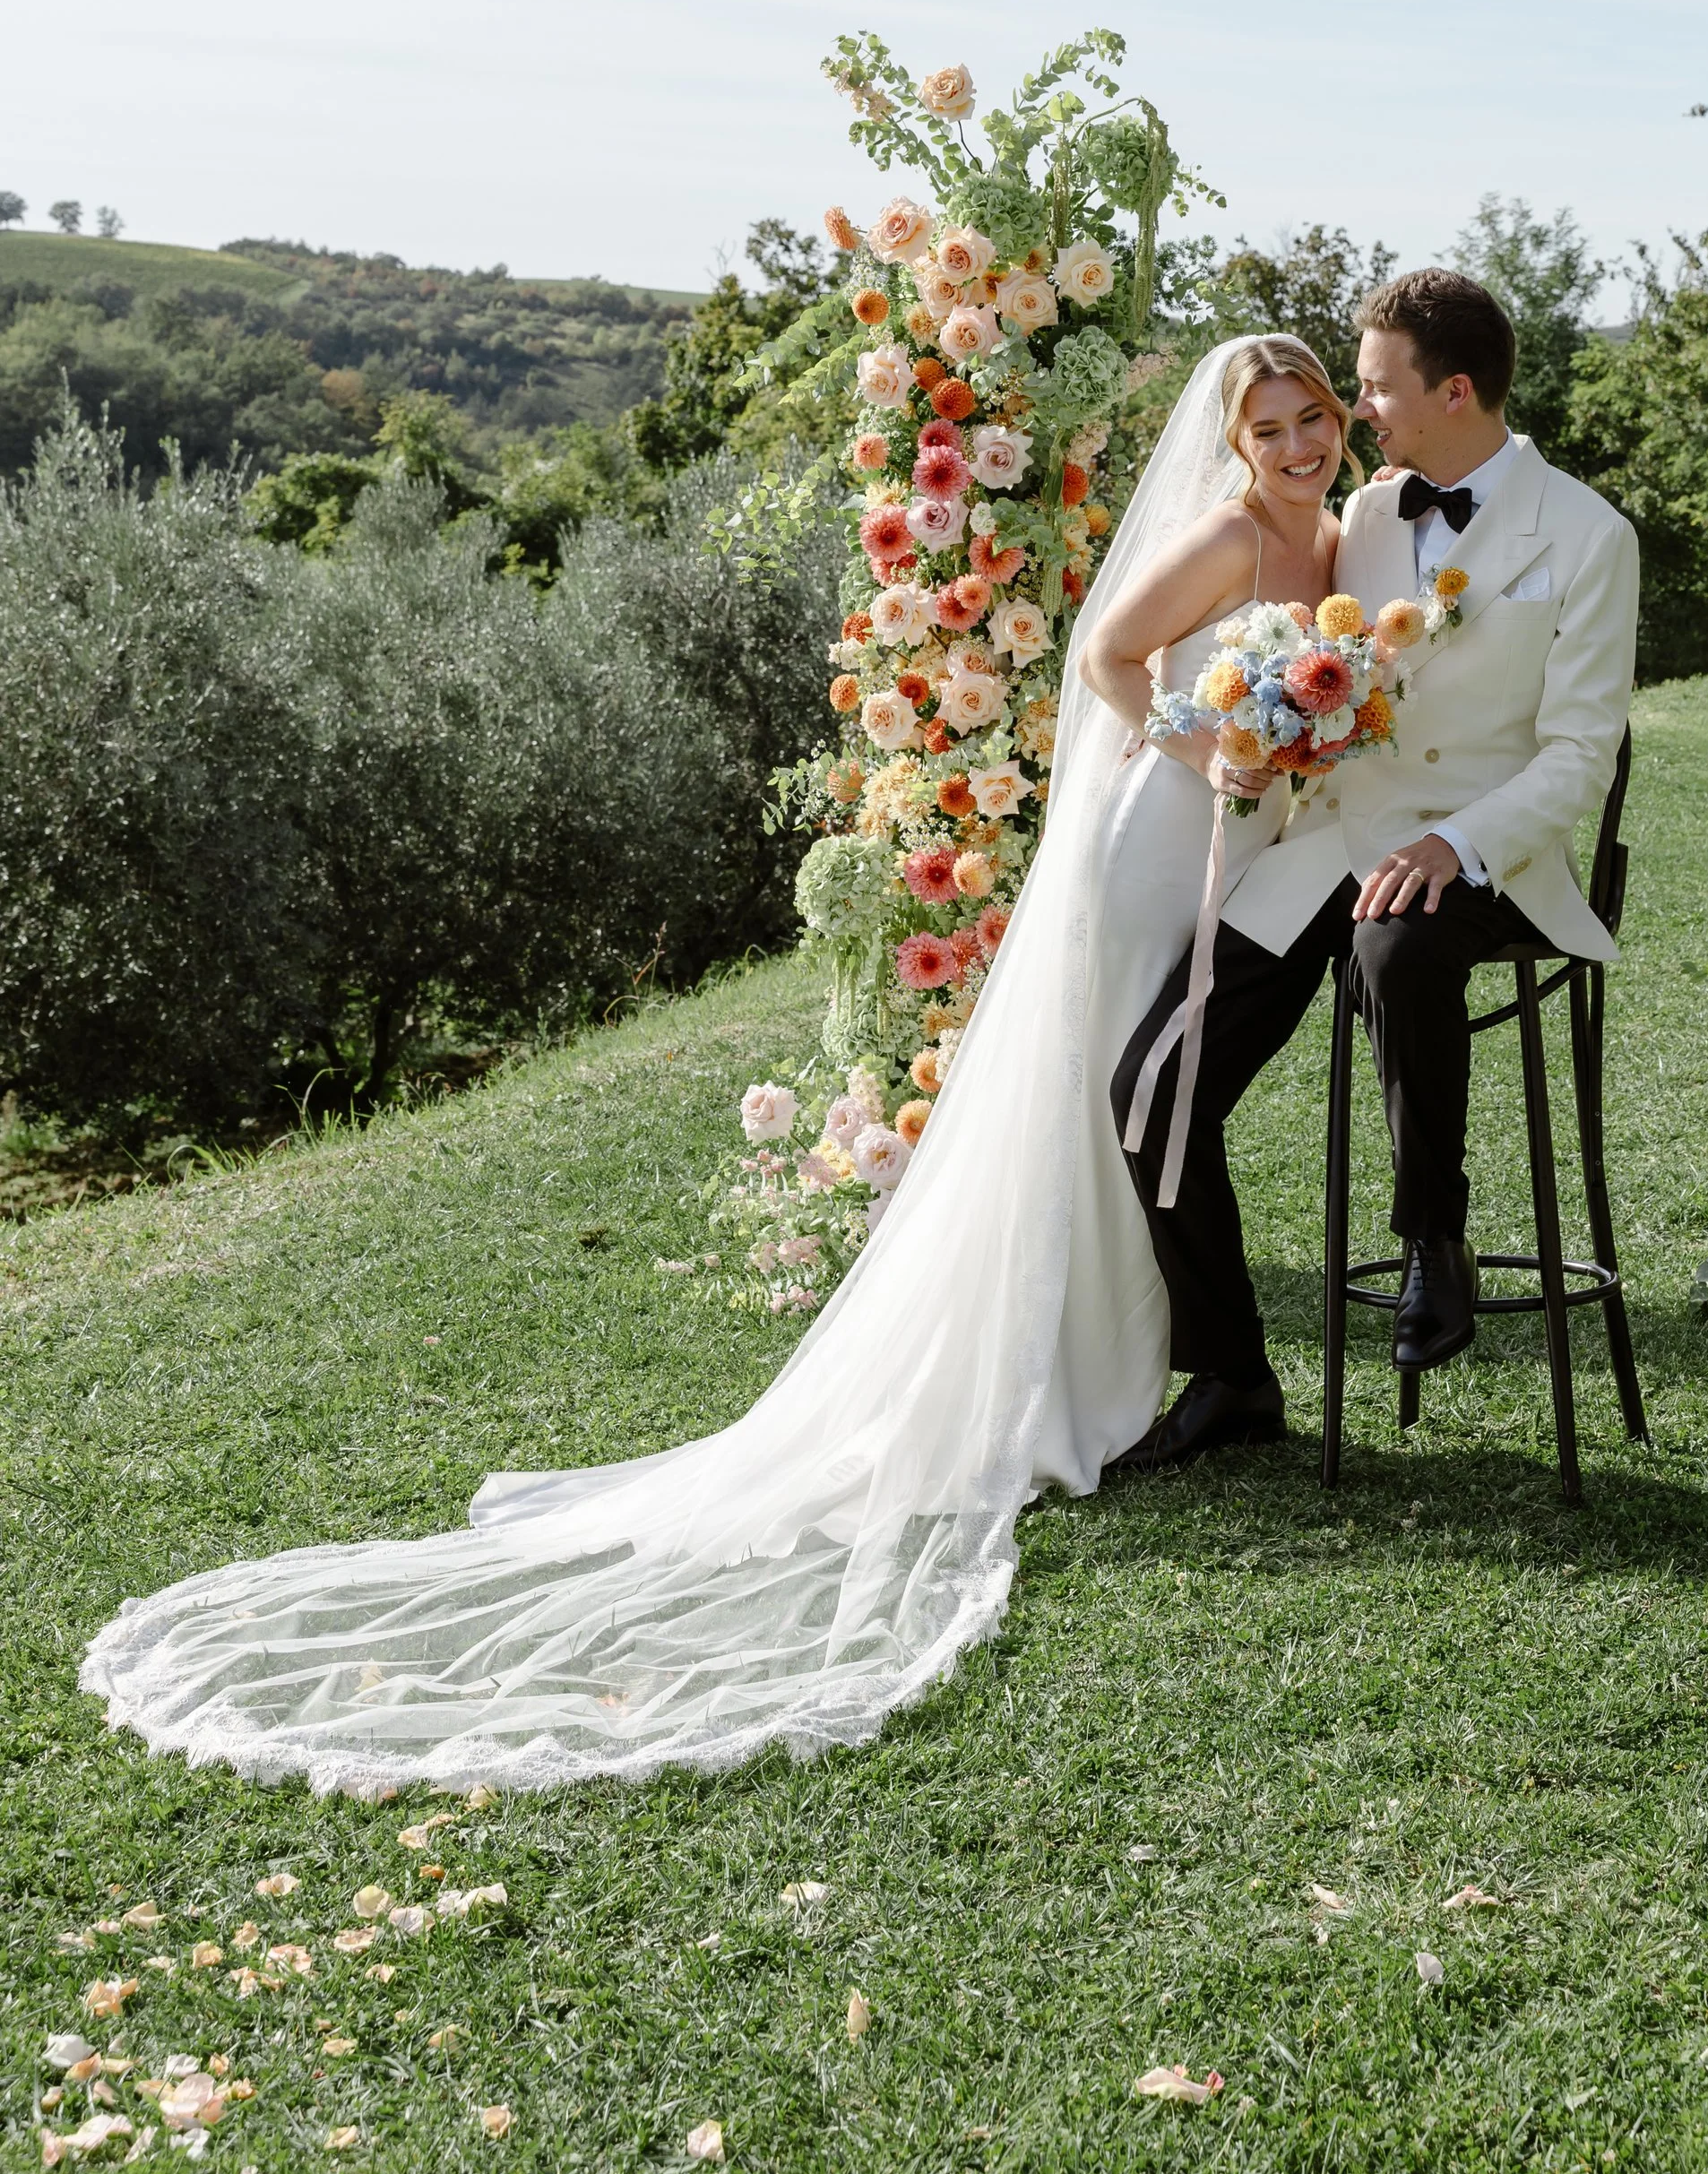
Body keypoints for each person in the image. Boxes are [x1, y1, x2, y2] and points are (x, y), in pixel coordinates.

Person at [79, 335, 1353, 1792]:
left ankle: (1160, 1367)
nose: (1301, 437)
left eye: (1314, 413)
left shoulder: (1336, 534)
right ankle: (1099, 1379)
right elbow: (1105, 658)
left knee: (1143, 1105)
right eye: (1273, 421)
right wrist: (1208, 746)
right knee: (1104, 1102)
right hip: (1154, 849)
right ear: (1234, 440)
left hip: (1239, 851)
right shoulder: (1227, 531)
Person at [1110, 266, 1639, 1469]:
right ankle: (1234, 1373)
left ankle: (1432, 1241)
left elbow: (1579, 755)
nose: (1360, 410)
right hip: (1328, 846)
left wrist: (1455, 842)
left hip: (1486, 850)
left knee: (1399, 944)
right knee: (1151, 1088)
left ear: (1452, 390)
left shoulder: (1591, 535)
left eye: (1373, 388)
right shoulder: (1375, 512)